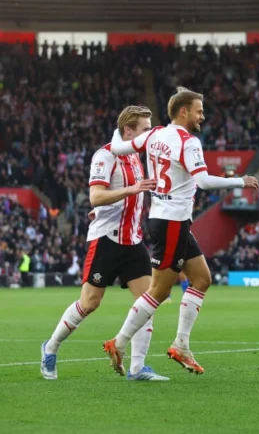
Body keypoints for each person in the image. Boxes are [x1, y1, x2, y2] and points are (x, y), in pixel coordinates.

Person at [102, 87, 259, 376]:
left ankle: (181, 345)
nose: (202, 116)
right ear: (183, 111)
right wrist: (241, 181)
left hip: (168, 219)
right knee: (159, 291)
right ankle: (119, 342)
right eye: (199, 111)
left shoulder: (154, 134)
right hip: (172, 222)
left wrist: (119, 126)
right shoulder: (188, 142)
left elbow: (117, 147)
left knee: (201, 279)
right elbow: (204, 181)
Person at [40, 106, 168, 381]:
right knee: (89, 303)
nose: (148, 135)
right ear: (128, 131)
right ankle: (50, 348)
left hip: (133, 241)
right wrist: (130, 190)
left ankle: (137, 368)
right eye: (145, 130)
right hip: (107, 239)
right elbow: (96, 196)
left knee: (148, 302)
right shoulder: (106, 155)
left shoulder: (135, 156)